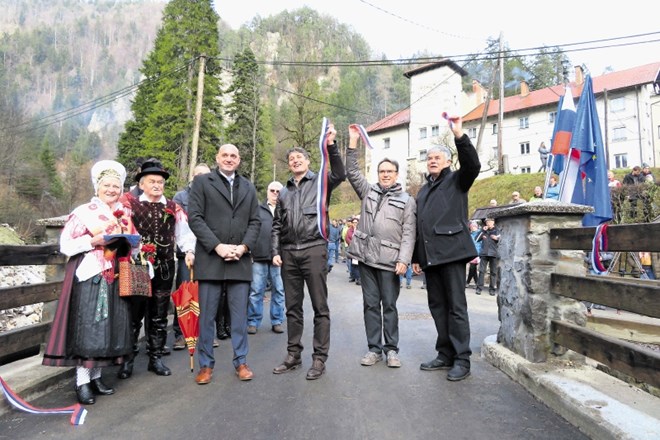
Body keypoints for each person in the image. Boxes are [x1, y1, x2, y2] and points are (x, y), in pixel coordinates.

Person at [43, 160, 138, 405]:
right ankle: (82, 381)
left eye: (116, 186)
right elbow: (66, 245)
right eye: (106, 185)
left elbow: (132, 245)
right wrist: (93, 242)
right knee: (89, 327)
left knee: (107, 327)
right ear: (97, 187)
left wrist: (133, 245)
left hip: (115, 275)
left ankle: (96, 377)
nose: (111, 189)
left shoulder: (124, 214)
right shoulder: (83, 212)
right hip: (91, 274)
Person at [271, 122, 346, 380]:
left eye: (299, 157)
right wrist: (275, 251)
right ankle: (293, 355)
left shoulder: (322, 182)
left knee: (319, 307)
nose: (295, 161)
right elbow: (276, 225)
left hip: (315, 248)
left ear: (308, 160)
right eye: (291, 159)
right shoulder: (283, 192)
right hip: (289, 252)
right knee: (292, 308)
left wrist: (332, 145)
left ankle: (319, 359)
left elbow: (340, 172)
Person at [412, 114, 481, 382]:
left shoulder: (458, 180)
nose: (432, 160)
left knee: (456, 307)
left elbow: (473, 164)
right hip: (431, 257)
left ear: (448, 161)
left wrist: (459, 135)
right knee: (438, 306)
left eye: (437, 157)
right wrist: (418, 256)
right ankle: (445, 354)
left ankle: (462, 359)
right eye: (429, 158)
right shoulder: (423, 190)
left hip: (452, 253)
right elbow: (420, 225)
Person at [188, 144, 261, 384]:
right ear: (217, 159)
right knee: (207, 317)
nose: (229, 159)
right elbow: (195, 218)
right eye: (225, 155)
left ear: (239, 160)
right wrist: (217, 246)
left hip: (239, 261)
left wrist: (243, 247)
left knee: (239, 318)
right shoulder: (202, 183)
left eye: (234, 156)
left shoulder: (249, 187)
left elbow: (255, 222)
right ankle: (206, 365)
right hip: (211, 260)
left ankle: (241, 361)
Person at [346, 124, 416, 368]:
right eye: (382, 171)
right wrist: (353, 143)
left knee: (389, 306)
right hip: (366, 259)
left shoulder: (407, 200)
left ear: (397, 175)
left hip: (389, 262)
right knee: (370, 305)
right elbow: (352, 172)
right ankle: (374, 349)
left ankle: (392, 350)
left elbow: (409, 233)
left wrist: (404, 260)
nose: (385, 174)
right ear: (378, 174)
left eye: (390, 171)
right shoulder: (368, 192)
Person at [118, 159, 196, 379]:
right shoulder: (129, 206)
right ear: (141, 184)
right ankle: (127, 360)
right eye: (152, 181)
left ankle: (155, 358)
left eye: (160, 182)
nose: (157, 185)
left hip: (164, 267)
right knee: (134, 316)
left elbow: (184, 233)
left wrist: (189, 251)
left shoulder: (173, 207)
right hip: (137, 267)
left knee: (159, 315)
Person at [171, 163, 212, 350]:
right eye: (199, 175)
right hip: (186, 253)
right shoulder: (181, 197)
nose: (202, 178)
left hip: (208, 252)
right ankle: (181, 334)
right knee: (185, 293)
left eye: (206, 175)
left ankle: (204, 333)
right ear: (193, 176)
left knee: (206, 294)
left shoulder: (214, 196)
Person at [247, 181, 286, 335]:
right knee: (256, 290)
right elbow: (251, 229)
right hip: (259, 255)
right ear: (267, 192)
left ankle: (277, 320)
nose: (275, 193)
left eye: (278, 191)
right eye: (272, 190)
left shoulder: (286, 210)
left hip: (279, 257)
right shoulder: (257, 209)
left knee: (279, 290)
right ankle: (253, 321)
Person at [475, 218, 500, 296]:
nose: (488, 223)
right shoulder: (483, 231)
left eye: (489, 222)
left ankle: (492, 289)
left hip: (494, 254)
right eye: (487, 222)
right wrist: (482, 231)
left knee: (493, 272)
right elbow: (476, 239)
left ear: (493, 222)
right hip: (484, 254)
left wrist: (497, 238)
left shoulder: (497, 231)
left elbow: (503, 239)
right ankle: (479, 288)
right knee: (482, 271)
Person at [466, 221, 481, 287]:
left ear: (477, 227)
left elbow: (482, 244)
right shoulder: (470, 234)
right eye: (471, 227)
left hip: (477, 253)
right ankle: (476, 283)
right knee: (473, 268)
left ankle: (467, 282)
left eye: (474, 227)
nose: (473, 228)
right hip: (471, 253)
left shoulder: (480, 234)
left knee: (472, 267)